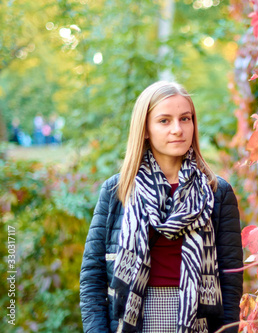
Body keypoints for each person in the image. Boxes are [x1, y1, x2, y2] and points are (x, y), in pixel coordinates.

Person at [80, 81, 243, 333]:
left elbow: (231, 281)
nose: (177, 129)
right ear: (145, 129)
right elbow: (93, 278)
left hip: (198, 319)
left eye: (185, 119)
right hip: (135, 319)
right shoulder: (117, 190)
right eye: (164, 121)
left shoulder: (216, 192)